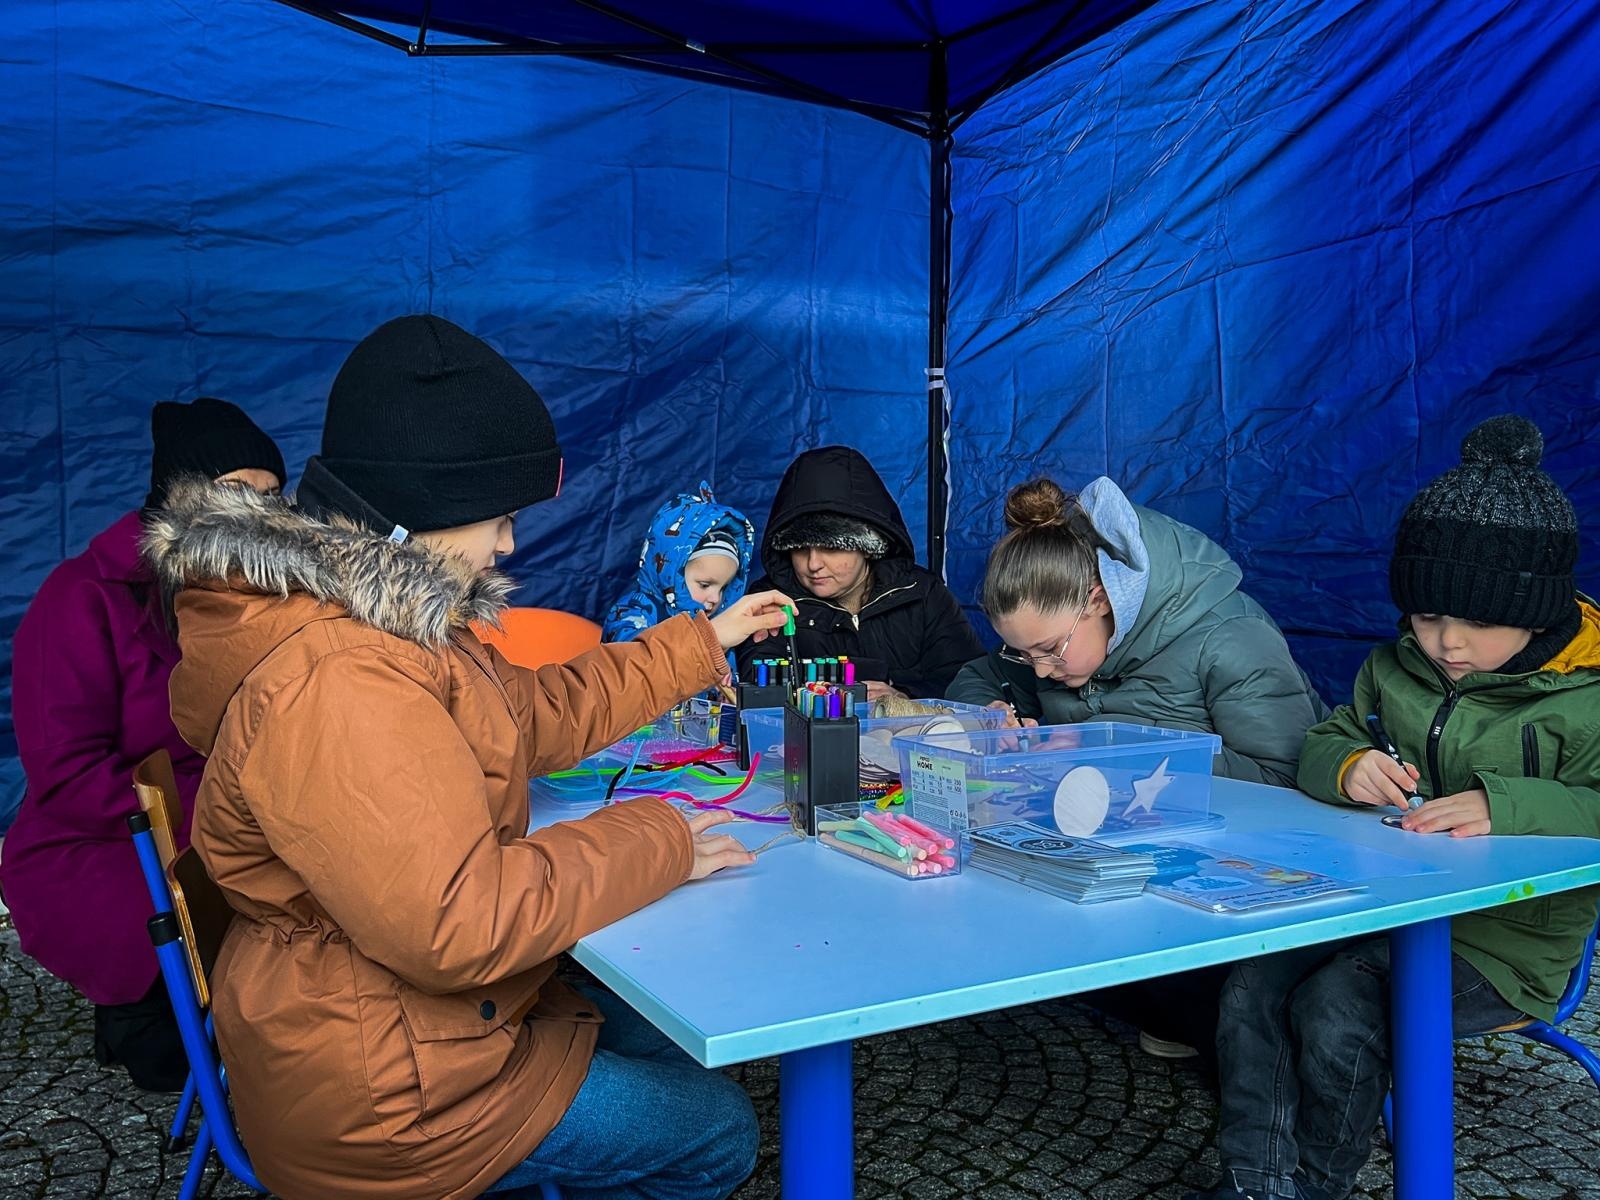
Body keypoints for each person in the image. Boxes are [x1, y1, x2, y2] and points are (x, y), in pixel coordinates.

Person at [144, 314, 786, 1200]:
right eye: (501, 518)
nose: (510, 546)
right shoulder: (343, 677)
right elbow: (459, 925)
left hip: (404, 1031)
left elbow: (531, 711)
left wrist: (693, 645)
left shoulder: (387, 622)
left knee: (651, 1024)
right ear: (419, 515)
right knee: (717, 1131)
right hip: (387, 1097)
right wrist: (658, 839)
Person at [1188, 414, 1600, 1200]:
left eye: (1477, 621)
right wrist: (1347, 766)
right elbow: (1326, 739)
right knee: (1254, 982)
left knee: (1342, 1005)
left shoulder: (1588, 696)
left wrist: (1504, 803)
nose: (1447, 642)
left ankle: (1315, 1184)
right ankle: (1254, 1183)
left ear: (1539, 612)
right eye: (1425, 616)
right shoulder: (1394, 667)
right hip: (1376, 901)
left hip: (1507, 941)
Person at [947, 474, 1329, 1059]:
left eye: (1050, 650)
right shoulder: (1056, 640)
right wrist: (989, 715)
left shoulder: (1229, 637)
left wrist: (1112, 762)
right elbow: (979, 678)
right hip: (1115, 863)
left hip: (1227, 882)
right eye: (1022, 654)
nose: (1042, 671)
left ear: (1101, 598)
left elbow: (1284, 777)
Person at [0, 398, 284, 1093]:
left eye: (272, 497)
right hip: (105, 834)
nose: (259, 517)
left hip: (228, 811)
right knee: (170, 1048)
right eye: (234, 495)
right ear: (178, 505)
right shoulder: (81, 598)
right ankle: (145, 1011)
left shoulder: (262, 589)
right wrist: (225, 813)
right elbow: (68, 776)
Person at [735, 445, 983, 699]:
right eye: (799, 549)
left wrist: (904, 696)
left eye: (831, 548)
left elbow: (968, 680)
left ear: (867, 546)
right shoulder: (769, 601)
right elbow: (758, 688)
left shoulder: (922, 593)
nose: (813, 564)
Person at [602, 482, 756, 679]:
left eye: (724, 587)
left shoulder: (716, 626)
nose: (715, 598)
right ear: (672, 572)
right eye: (705, 585)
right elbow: (632, 669)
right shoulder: (632, 614)